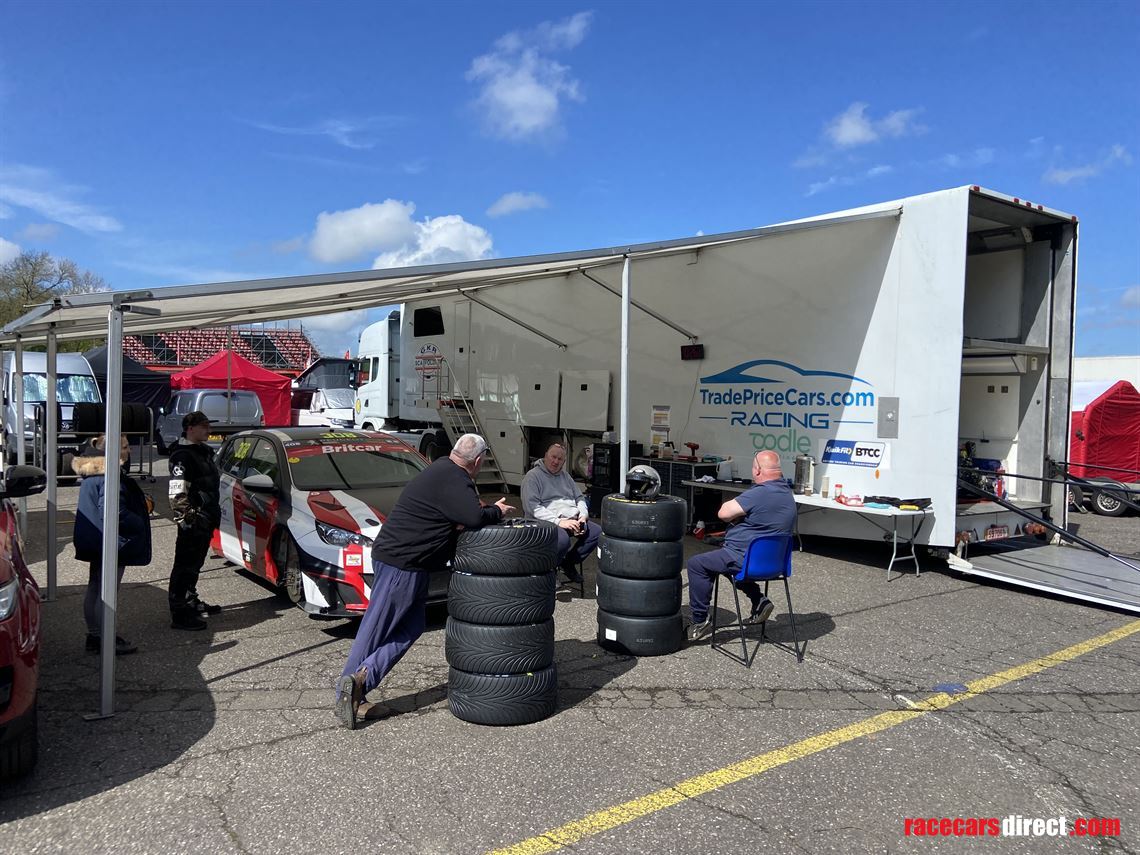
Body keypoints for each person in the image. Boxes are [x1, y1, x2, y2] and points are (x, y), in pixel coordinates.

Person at [335, 433, 515, 729]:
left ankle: (361, 680)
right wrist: (497, 511)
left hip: (410, 565)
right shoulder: (455, 478)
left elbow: (459, 513)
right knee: (377, 628)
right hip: (400, 564)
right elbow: (472, 516)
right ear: (479, 460)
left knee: (411, 626)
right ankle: (348, 694)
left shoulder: (441, 470)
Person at [685, 450, 796, 642]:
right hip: (774, 564)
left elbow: (723, 513)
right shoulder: (787, 494)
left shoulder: (760, 493)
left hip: (744, 558)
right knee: (725, 561)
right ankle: (759, 601)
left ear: (758, 470)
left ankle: (700, 620)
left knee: (697, 564)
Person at [72, 435, 152, 656]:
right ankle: (104, 637)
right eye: (125, 447)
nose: (129, 451)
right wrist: (139, 523)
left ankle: (95, 635)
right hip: (108, 542)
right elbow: (113, 511)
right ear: (113, 451)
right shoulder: (109, 475)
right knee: (106, 591)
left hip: (94, 538)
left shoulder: (93, 470)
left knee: (95, 586)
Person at [168, 410, 222, 631]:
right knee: (184, 567)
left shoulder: (204, 451)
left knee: (195, 565)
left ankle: (191, 600)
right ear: (190, 428)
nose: (209, 431)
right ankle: (179, 614)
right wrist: (187, 518)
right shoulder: (182, 456)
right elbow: (177, 492)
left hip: (207, 516)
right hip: (194, 519)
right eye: (204, 427)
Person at [519, 441, 600, 584]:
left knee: (596, 532)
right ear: (545, 456)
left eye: (560, 459)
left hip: (571, 519)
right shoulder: (533, 477)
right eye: (553, 457)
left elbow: (579, 497)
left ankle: (567, 563)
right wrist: (560, 522)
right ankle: (548, 572)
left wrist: (583, 515)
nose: (555, 461)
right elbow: (533, 507)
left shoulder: (565, 476)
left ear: (564, 462)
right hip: (545, 522)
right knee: (562, 540)